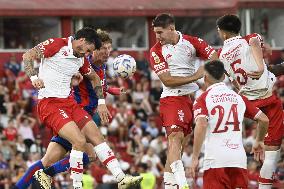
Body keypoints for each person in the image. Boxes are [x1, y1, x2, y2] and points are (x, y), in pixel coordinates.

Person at [17, 27, 141, 189]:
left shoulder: (82, 59)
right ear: (82, 41)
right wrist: (34, 77)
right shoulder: (56, 44)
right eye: (88, 50)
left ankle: (121, 178)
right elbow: (27, 56)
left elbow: (95, 78)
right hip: (50, 104)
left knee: (97, 138)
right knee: (80, 142)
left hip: (69, 104)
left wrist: (102, 103)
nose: (87, 54)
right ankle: (76, 185)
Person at [149, 13, 218, 189]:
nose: (157, 37)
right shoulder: (156, 51)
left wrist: (207, 69)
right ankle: (182, 184)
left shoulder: (191, 42)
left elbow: (214, 56)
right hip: (172, 98)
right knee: (175, 138)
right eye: (155, 32)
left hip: (191, 100)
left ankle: (169, 186)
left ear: (171, 28)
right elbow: (168, 80)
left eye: (159, 32)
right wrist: (196, 76)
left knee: (178, 148)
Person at [216, 14, 284, 188]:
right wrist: (261, 65)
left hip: (248, 103)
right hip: (268, 99)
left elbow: (231, 79)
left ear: (223, 34)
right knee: (271, 157)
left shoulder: (221, 55)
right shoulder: (250, 38)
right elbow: (255, 42)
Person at [189, 60, 269, 189]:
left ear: (205, 78)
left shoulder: (202, 99)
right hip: (238, 159)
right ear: (224, 76)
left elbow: (202, 124)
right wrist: (259, 140)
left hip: (215, 160)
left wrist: (194, 157)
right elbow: (264, 119)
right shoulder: (239, 98)